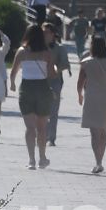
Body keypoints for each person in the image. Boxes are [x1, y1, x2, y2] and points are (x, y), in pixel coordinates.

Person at [8, 23, 61, 169]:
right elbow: (51, 74)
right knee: (42, 128)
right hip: (43, 89)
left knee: (30, 128)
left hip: (26, 89)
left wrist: (12, 84)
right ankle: (42, 158)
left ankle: (31, 160)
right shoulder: (46, 53)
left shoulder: (21, 52)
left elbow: (13, 72)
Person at [77, 27, 106, 173]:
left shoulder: (85, 63)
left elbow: (80, 83)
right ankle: (100, 160)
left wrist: (80, 95)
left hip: (91, 98)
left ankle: (98, 161)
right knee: (103, 132)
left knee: (94, 132)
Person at [42, 19, 72, 148]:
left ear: (53, 34)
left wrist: (55, 69)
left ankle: (51, 138)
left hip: (54, 82)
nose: (45, 35)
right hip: (39, 82)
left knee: (53, 111)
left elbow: (65, 64)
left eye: (47, 32)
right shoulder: (36, 47)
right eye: (43, 32)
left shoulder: (60, 48)